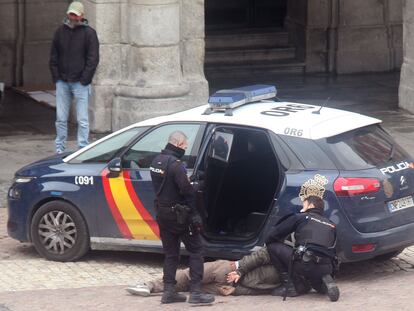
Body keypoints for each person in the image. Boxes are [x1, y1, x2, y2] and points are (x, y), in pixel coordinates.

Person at [149, 131, 214, 304]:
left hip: (163, 214)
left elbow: (169, 186)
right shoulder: (176, 165)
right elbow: (188, 192)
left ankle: (168, 291)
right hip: (180, 216)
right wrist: (198, 186)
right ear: (178, 144)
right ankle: (196, 293)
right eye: (185, 146)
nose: (185, 148)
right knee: (197, 250)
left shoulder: (156, 161)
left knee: (171, 254)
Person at [266, 175, 340, 302]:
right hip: (328, 266)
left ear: (310, 205)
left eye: (304, 204)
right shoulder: (331, 225)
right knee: (314, 279)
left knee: (272, 247)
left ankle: (289, 287)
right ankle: (323, 282)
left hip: (306, 263)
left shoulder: (301, 217)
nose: (302, 207)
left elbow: (273, 235)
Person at [126, 247, 284, 297]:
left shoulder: (283, 252)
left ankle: (149, 285)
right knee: (190, 285)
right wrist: (237, 290)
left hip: (230, 270)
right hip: (229, 287)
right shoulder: (291, 279)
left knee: (188, 276)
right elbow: (262, 290)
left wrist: (239, 270)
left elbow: (260, 255)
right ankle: (153, 287)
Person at [49, 1, 99, 154]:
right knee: (61, 119)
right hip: (63, 82)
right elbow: (54, 56)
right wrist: (57, 77)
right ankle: (60, 148)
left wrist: (85, 79)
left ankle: (82, 148)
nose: (73, 17)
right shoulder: (60, 32)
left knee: (82, 119)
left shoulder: (89, 33)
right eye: (71, 14)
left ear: (81, 15)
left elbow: (93, 58)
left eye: (76, 15)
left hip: (80, 83)